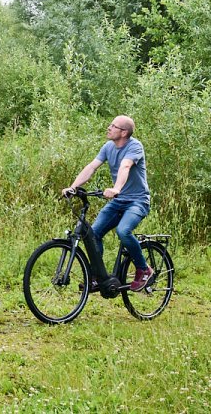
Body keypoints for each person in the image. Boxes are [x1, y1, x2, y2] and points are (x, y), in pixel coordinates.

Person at [61, 115, 154, 291]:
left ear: (124, 132)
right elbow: (91, 167)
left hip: (138, 201)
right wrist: (73, 187)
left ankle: (144, 269)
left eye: (113, 126)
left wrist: (117, 188)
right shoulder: (108, 147)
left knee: (123, 231)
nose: (109, 128)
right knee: (93, 234)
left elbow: (125, 166)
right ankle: (98, 276)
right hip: (118, 202)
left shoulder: (134, 146)